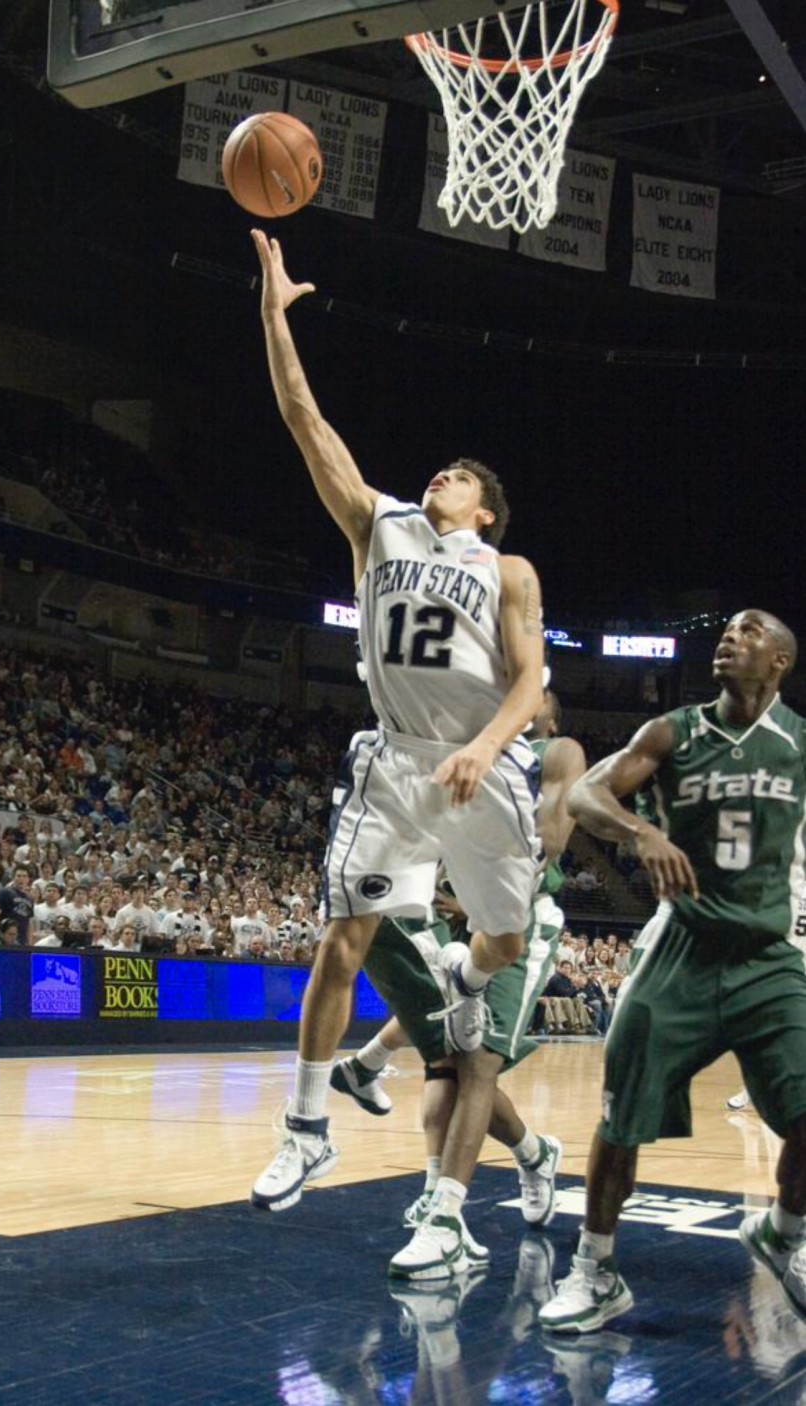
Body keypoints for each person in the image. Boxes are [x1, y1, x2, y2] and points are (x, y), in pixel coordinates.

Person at [249, 230, 545, 1221]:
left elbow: (531, 677)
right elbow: (300, 417)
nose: (440, 476)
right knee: (341, 939)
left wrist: (486, 744)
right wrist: (273, 311)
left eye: (460, 474)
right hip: (396, 767)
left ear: (486, 510)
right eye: (440, 468)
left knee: (501, 940)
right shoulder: (378, 521)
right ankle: (305, 1131)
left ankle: (463, 972)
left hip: (482, 769)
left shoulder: (504, 571)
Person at [539, 609, 806, 1334]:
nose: (729, 637)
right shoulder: (673, 731)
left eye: (749, 632)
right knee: (619, 1117)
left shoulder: (799, 743)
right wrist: (642, 830)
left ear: (778, 661)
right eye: (726, 630)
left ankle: (782, 1231)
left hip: (768, 958)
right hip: (680, 950)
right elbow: (587, 792)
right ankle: (596, 1269)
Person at [331, 693, 587, 1276]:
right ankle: (520, 1159)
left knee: (475, 1061)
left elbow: (551, 839)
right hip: (463, 917)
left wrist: (477, 879)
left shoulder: (556, 751)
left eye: (536, 693)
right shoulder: (466, 753)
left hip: (522, 919)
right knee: (447, 1056)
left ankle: (447, 1213)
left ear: (551, 713)